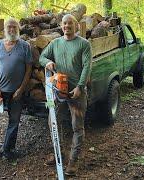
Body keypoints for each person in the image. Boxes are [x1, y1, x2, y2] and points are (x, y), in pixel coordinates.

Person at [39, 14, 92, 176]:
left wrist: (80, 87)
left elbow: (87, 67)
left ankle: (73, 162)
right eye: (64, 23)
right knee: (52, 120)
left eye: (70, 23)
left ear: (75, 26)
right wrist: (47, 62)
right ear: (61, 26)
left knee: (77, 127)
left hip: (76, 93)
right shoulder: (55, 43)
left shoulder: (84, 44)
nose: (66, 26)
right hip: (58, 91)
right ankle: (59, 153)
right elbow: (42, 57)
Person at [0, 18, 32, 160]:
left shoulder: (25, 46)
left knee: (14, 120)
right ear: (4, 30)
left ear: (18, 29)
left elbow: (29, 69)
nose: (11, 29)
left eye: (14, 27)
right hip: (0, 92)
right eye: (9, 27)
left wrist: (21, 90)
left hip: (16, 92)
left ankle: (8, 150)